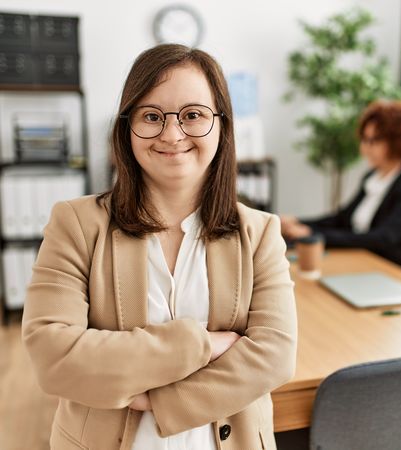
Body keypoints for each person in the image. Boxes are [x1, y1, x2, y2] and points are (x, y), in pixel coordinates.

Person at [21, 44, 297, 450]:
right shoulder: (76, 224)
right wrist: (202, 344)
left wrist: (157, 399)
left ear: (221, 125)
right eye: (152, 116)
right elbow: (53, 357)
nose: (172, 134)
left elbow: (274, 356)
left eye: (193, 115)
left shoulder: (259, 233)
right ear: (127, 127)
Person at [281, 100, 401, 278]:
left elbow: (380, 239)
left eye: (374, 140)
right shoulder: (372, 179)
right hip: (366, 266)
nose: (365, 147)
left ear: (397, 142)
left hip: (400, 275)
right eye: (365, 139)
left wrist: (312, 233)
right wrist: (300, 222)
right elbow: (342, 219)